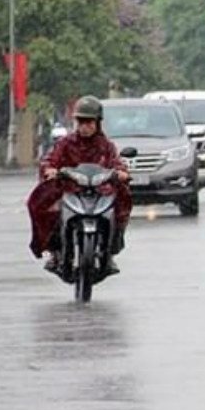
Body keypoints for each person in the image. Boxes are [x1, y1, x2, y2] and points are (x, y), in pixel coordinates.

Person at [27, 96, 131, 276]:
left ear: (97, 122)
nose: (85, 126)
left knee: (122, 201)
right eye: (81, 121)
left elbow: (116, 163)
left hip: (100, 191)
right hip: (69, 190)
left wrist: (121, 172)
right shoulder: (65, 143)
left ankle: (112, 247)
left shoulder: (106, 145)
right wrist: (50, 169)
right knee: (41, 206)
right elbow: (50, 160)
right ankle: (54, 251)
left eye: (89, 122)